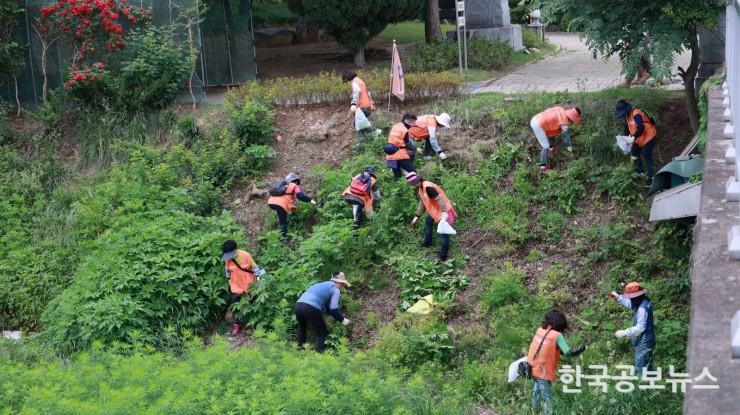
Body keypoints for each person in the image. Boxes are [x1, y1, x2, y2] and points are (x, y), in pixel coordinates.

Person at [527, 309, 586, 415]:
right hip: (543, 371)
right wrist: (581, 349)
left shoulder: (540, 330)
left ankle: (534, 409)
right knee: (547, 397)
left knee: (537, 389)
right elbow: (567, 352)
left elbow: (547, 346)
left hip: (531, 367)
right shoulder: (557, 336)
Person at [295, 272, 352, 352]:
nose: (342, 287)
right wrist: (342, 320)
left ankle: (298, 350)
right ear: (339, 282)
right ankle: (319, 354)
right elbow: (334, 309)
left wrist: (333, 315)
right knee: (322, 333)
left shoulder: (321, 285)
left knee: (302, 328)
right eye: (342, 284)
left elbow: (327, 308)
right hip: (310, 307)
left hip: (298, 305)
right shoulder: (336, 289)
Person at [407, 172, 457, 261]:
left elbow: (440, 200)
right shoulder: (420, 188)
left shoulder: (428, 187)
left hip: (444, 210)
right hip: (437, 212)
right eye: (412, 184)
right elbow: (423, 204)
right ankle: (427, 243)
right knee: (428, 220)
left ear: (418, 180)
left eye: (414, 183)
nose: (413, 185)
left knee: (444, 234)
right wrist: (416, 216)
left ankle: (443, 256)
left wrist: (444, 215)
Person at [610, 282, 655, 375]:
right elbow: (630, 304)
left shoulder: (642, 308)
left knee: (641, 369)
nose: (630, 298)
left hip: (644, 341)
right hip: (648, 339)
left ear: (636, 296)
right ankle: (651, 387)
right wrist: (618, 297)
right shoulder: (642, 301)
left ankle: (642, 388)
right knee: (648, 367)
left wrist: (624, 332)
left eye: (631, 296)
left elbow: (640, 328)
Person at [221, 240, 264, 336]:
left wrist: (260, 283)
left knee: (253, 306)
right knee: (235, 307)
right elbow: (227, 272)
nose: (228, 257)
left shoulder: (246, 255)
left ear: (235, 250)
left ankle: (253, 326)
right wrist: (230, 282)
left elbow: (256, 269)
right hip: (236, 288)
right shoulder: (227, 259)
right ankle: (236, 326)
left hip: (250, 287)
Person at [612, 100, 658, 186]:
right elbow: (627, 128)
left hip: (649, 135)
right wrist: (624, 139)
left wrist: (633, 137)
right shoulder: (627, 116)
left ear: (626, 109)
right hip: (640, 138)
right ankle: (640, 172)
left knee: (647, 154)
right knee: (634, 153)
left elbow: (641, 127)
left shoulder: (636, 113)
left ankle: (652, 177)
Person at [530, 106, 581, 173]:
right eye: (571, 121)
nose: (571, 122)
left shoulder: (560, 109)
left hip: (537, 118)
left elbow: (547, 110)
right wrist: (568, 146)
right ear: (570, 118)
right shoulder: (564, 123)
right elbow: (565, 136)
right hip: (538, 125)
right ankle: (543, 167)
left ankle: (551, 149)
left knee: (551, 137)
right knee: (545, 146)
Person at [267, 173, 317, 238]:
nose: (296, 183)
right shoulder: (294, 186)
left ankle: (281, 235)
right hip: (280, 204)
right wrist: (310, 200)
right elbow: (300, 196)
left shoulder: (282, 186)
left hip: (271, 202)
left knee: (282, 217)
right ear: (295, 181)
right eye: (297, 182)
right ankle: (283, 239)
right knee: (283, 223)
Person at [341, 69, 379, 142]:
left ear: (347, 78)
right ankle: (362, 140)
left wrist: (353, 104)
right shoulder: (360, 81)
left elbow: (356, 93)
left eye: (346, 82)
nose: (347, 83)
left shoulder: (354, 83)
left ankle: (374, 132)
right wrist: (371, 103)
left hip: (362, 107)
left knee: (358, 124)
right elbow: (368, 93)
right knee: (360, 124)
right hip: (367, 106)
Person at [385, 113, 418, 179]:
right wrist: (415, 148)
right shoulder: (404, 130)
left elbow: (396, 140)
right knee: (414, 173)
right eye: (413, 123)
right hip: (400, 155)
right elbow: (408, 144)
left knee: (397, 177)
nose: (413, 125)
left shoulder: (395, 126)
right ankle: (418, 187)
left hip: (390, 155)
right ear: (409, 121)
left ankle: (399, 188)